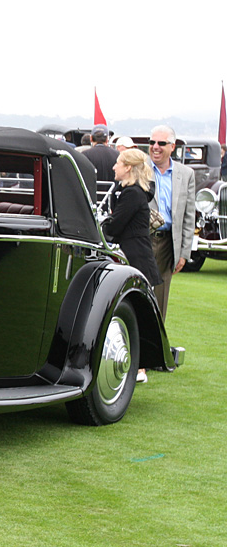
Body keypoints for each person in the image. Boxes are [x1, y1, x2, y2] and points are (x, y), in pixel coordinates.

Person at [102, 148, 162, 383]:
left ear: (128, 167)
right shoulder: (127, 192)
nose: (114, 166)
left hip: (136, 258)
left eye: (118, 163)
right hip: (135, 256)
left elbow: (115, 227)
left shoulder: (133, 194)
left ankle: (140, 368)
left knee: (136, 313)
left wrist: (102, 226)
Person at [148, 124, 196, 318]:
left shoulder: (186, 174)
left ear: (172, 147)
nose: (155, 147)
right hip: (142, 240)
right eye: (152, 142)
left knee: (160, 300)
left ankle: (155, 345)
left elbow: (189, 215)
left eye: (161, 143)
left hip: (169, 244)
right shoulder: (139, 169)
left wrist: (184, 253)